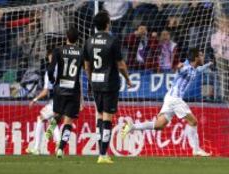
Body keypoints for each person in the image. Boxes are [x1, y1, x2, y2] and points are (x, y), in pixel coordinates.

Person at [121, 48, 212, 157]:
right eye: (201, 55)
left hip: (169, 98)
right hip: (175, 99)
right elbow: (181, 69)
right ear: (196, 57)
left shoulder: (193, 68)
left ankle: (133, 127)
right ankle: (196, 149)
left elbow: (200, 69)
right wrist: (179, 68)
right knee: (193, 122)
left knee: (159, 125)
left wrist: (208, 64)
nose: (203, 57)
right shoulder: (187, 68)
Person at [83, 11, 132, 164]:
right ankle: (103, 154)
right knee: (107, 117)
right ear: (107, 24)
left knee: (99, 115)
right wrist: (127, 79)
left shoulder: (89, 41)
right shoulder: (112, 40)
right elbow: (121, 65)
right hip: (109, 83)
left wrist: (91, 79)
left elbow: (86, 65)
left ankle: (101, 152)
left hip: (96, 82)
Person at [47, 27, 83, 158]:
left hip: (59, 89)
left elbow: (50, 70)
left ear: (66, 37)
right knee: (68, 122)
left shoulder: (58, 50)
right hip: (74, 90)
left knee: (58, 114)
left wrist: (52, 80)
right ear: (78, 39)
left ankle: (51, 126)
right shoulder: (81, 52)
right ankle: (61, 149)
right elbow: (86, 68)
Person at [25, 52, 61, 155]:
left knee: (40, 118)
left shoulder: (50, 70)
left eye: (50, 57)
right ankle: (59, 144)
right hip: (65, 98)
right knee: (52, 120)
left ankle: (36, 148)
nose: (50, 59)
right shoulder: (63, 68)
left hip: (56, 99)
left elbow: (46, 91)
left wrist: (34, 100)